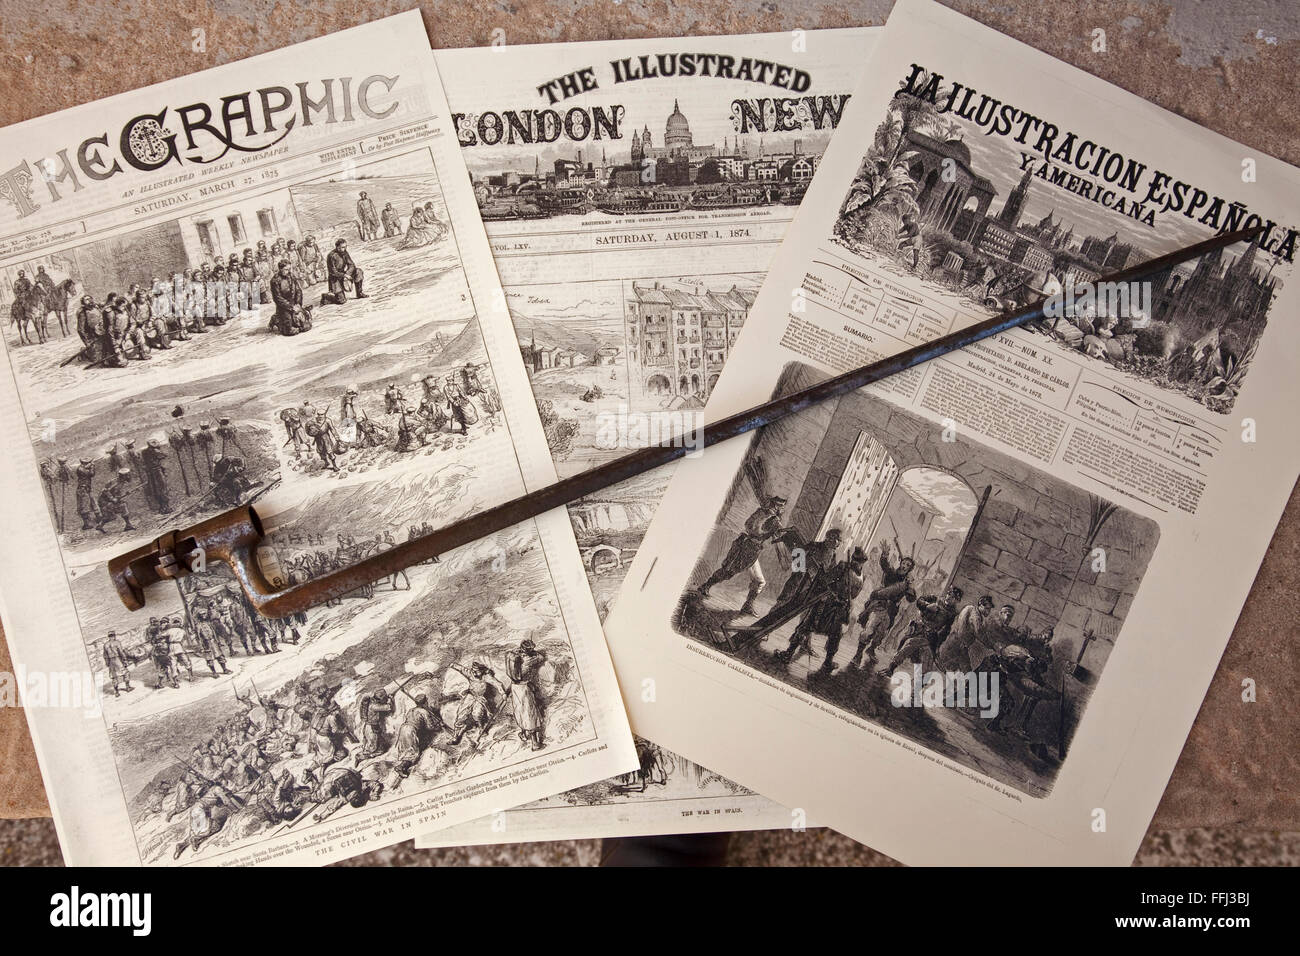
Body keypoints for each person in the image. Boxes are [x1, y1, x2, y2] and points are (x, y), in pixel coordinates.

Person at [697, 495, 791, 615]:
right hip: (750, 549)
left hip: (743, 542)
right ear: (777, 506)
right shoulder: (774, 520)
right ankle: (705, 587)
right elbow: (776, 535)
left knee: (756, 580)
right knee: (730, 572)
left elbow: (748, 525)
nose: (782, 510)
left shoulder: (760, 512)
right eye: (782, 506)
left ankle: (746, 605)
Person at [846, 544, 917, 670]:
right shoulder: (891, 573)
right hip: (879, 605)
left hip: (891, 611)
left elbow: (911, 598)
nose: (905, 566)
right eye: (904, 563)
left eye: (908, 565)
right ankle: (857, 655)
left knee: (881, 634)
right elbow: (884, 564)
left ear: (910, 569)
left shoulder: (906, 583)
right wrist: (884, 554)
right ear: (901, 563)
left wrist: (910, 585)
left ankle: (871, 650)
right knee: (869, 630)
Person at [449, 662, 505, 746]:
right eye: (473, 670)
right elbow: (461, 669)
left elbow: (497, 684)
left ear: (482, 671)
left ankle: (481, 728)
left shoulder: (486, 677)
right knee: (461, 715)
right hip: (470, 696)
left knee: (477, 714)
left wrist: (503, 693)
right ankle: (456, 736)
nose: (474, 673)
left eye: (477, 671)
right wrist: (453, 665)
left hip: (480, 698)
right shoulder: (471, 674)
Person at [506, 639, 547, 750]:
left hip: (515, 687)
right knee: (530, 714)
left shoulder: (514, 657)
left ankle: (524, 734)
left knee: (520, 711)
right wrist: (533, 652)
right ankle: (535, 744)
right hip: (524, 688)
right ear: (529, 650)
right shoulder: (531, 659)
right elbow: (541, 657)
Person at [392, 694, 445, 777]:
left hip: (403, 729)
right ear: (425, 702)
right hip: (411, 730)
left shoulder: (411, 710)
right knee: (412, 753)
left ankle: (402, 767)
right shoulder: (424, 712)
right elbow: (430, 727)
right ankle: (401, 767)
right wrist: (439, 726)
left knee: (407, 750)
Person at [269, 259, 312, 335]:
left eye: (289, 269)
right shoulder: (275, 280)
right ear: (280, 269)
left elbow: (298, 290)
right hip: (284, 307)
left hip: (295, 304)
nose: (288, 271)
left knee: (306, 327)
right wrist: (291, 307)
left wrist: (298, 304)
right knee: (290, 331)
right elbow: (278, 298)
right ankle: (276, 319)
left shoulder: (291, 276)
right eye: (286, 269)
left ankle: (301, 313)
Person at [323, 239, 367, 305]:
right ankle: (326, 297)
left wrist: (347, 273)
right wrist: (344, 275)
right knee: (341, 301)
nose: (345, 248)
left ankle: (359, 293)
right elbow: (333, 272)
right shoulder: (331, 255)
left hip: (345, 275)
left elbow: (351, 265)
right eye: (343, 247)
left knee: (358, 271)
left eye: (346, 246)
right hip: (335, 279)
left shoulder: (345, 253)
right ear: (337, 247)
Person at [95, 467, 135, 533]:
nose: (129, 476)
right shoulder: (115, 482)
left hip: (109, 501)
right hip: (104, 502)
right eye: (127, 475)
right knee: (112, 516)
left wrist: (125, 494)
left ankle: (128, 525)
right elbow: (105, 491)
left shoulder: (122, 482)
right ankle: (100, 525)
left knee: (122, 506)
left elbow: (116, 493)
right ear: (124, 476)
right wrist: (112, 499)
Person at [358, 688, 394, 760]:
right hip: (371, 728)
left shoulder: (371, 702)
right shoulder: (374, 705)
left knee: (380, 745)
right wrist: (390, 699)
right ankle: (361, 758)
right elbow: (388, 707)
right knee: (372, 748)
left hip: (370, 726)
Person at [141, 438, 172, 513]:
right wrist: (159, 448)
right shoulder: (155, 451)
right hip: (157, 471)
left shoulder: (144, 452)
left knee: (155, 489)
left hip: (150, 472)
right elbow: (164, 455)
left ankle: (161, 507)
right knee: (163, 487)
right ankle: (166, 507)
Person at [102, 630, 133, 696]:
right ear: (114, 636)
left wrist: (107, 663)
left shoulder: (105, 645)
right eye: (114, 635)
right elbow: (121, 652)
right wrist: (125, 659)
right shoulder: (117, 642)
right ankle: (128, 687)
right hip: (117, 659)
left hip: (111, 661)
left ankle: (116, 692)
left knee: (114, 676)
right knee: (126, 673)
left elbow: (105, 655)